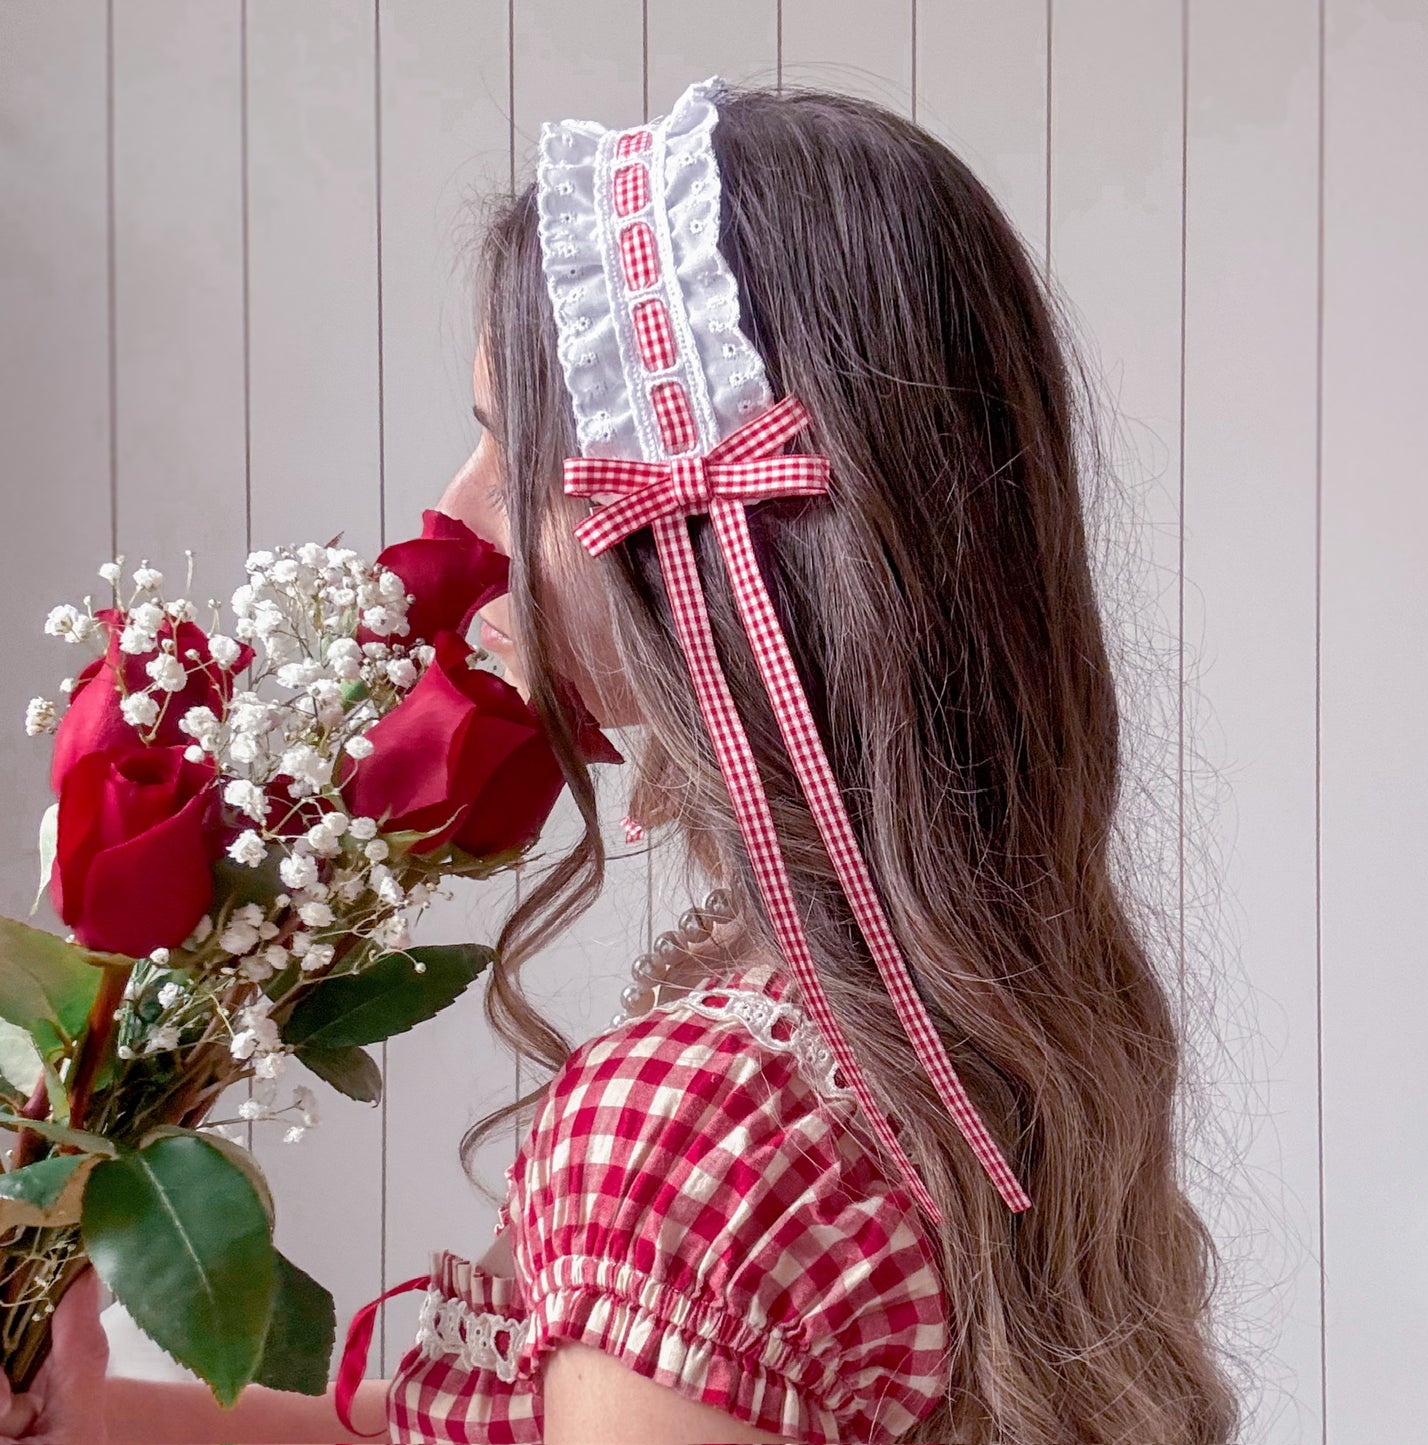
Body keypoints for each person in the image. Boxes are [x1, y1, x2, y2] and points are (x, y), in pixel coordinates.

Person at [0, 75, 1243, 1445]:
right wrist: (93, 1415)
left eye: (504, 443)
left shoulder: (689, 1132)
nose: (456, 507)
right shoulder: (952, 1003)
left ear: (697, 534)